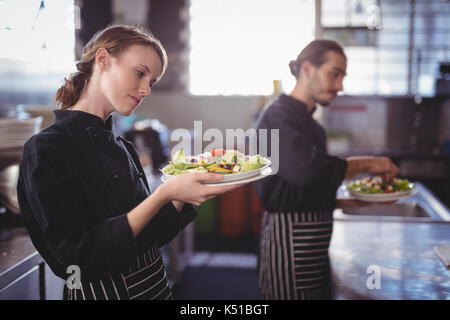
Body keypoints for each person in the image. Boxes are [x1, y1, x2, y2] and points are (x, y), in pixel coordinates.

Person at [17, 24, 239, 300]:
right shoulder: (46, 149)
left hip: (155, 289)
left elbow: (153, 235)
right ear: (103, 60)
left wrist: (182, 188)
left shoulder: (122, 146)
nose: (146, 90)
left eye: (152, 82)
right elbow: (74, 258)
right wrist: (162, 195)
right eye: (140, 73)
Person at [253, 39, 399, 300]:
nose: (340, 86)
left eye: (342, 77)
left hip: (315, 246)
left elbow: (306, 186)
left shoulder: (314, 127)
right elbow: (305, 171)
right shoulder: (277, 116)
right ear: (308, 68)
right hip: (288, 241)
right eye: (334, 74)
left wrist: (346, 202)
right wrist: (368, 163)